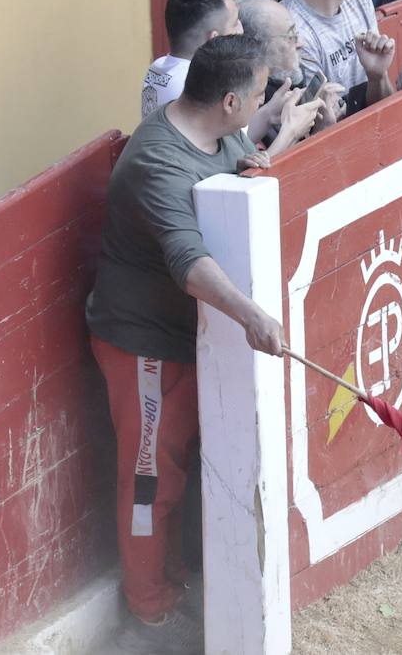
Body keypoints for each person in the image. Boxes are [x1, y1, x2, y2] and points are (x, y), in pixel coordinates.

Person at [87, 35, 286, 654]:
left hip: (184, 335)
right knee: (150, 477)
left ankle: (173, 584)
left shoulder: (217, 131)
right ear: (229, 100)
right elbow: (189, 261)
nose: (260, 105)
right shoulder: (157, 161)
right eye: (257, 96)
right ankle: (148, 611)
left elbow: (240, 163)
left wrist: (263, 153)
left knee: (174, 470)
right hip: (145, 344)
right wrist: (252, 314)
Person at [236, 0, 344, 141]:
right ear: (259, 48)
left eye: (296, 32)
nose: (300, 43)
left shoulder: (287, 76)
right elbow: (280, 162)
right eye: (290, 36)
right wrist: (320, 131)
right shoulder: (249, 105)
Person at [141, 0, 242, 117]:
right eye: (234, 24)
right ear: (214, 40)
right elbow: (238, 139)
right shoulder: (196, 88)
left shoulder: (158, 67)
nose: (241, 30)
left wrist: (268, 113)